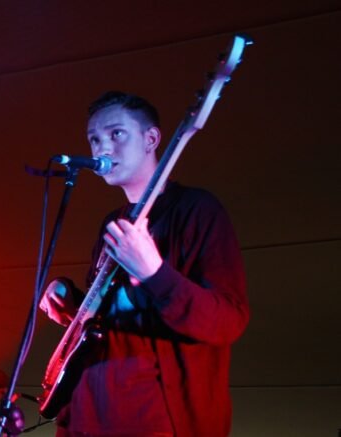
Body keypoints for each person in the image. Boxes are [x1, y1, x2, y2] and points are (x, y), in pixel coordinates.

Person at [38, 91, 249, 437]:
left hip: (153, 420)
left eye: (116, 134)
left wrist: (154, 273)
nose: (102, 148)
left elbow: (228, 321)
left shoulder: (197, 210)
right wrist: (68, 299)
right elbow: (109, 321)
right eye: (94, 139)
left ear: (151, 139)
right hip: (88, 415)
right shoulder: (113, 222)